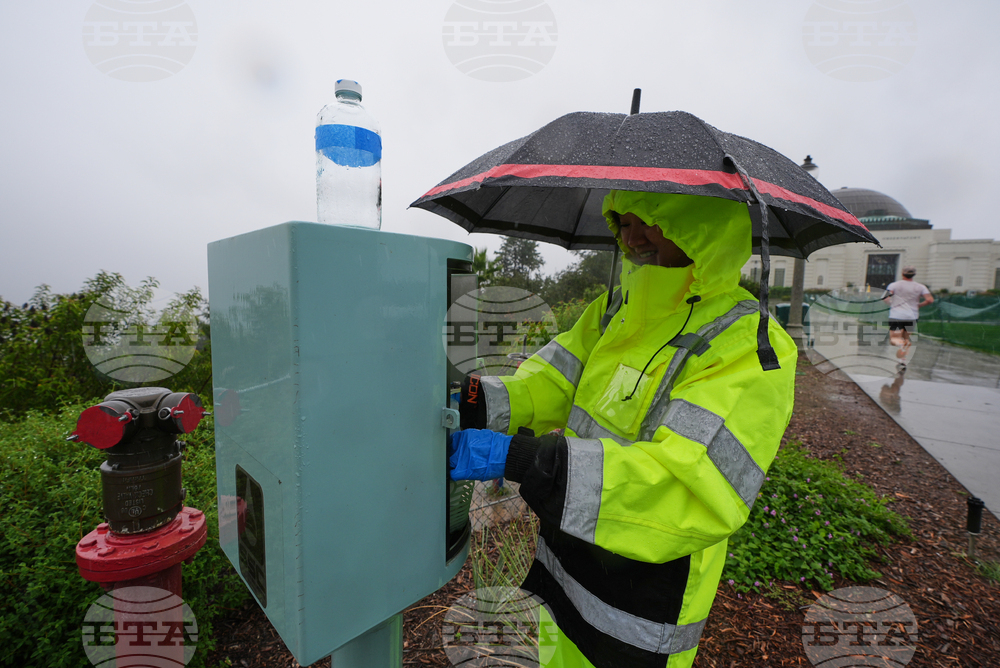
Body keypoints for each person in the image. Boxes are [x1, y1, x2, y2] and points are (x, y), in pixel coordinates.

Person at [449, 190, 796, 668]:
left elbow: (685, 487)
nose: (633, 239)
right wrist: (472, 403)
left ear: (701, 228)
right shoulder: (615, 309)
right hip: (566, 552)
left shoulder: (748, 343)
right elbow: (551, 382)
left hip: (644, 601)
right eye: (623, 223)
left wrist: (520, 458)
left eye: (652, 222)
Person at [882, 267, 933, 364]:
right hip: (912, 316)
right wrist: (919, 305)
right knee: (906, 339)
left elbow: (885, 297)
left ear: (902, 274)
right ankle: (903, 360)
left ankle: (902, 346)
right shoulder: (920, 287)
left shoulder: (894, 285)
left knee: (894, 340)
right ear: (914, 274)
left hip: (897, 315)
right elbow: (930, 300)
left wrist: (891, 304)